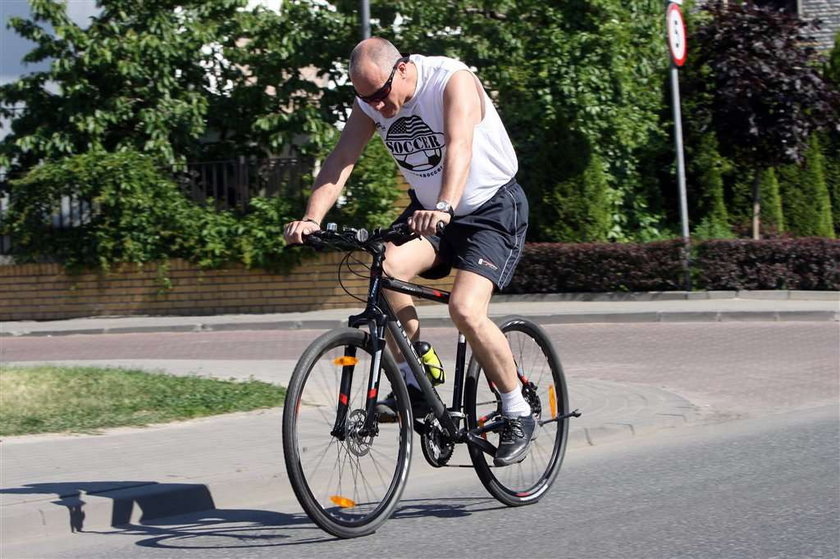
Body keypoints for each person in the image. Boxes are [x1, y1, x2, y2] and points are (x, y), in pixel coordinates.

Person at [283, 37, 532, 466]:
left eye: (381, 96)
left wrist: (444, 205)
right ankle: (418, 372)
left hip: (490, 207)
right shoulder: (370, 102)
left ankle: (516, 409)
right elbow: (341, 159)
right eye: (366, 100)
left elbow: (460, 146)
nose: (377, 108)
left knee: (466, 309)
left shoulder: (451, 80)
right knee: (385, 264)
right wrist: (311, 218)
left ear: (401, 69)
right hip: (432, 211)